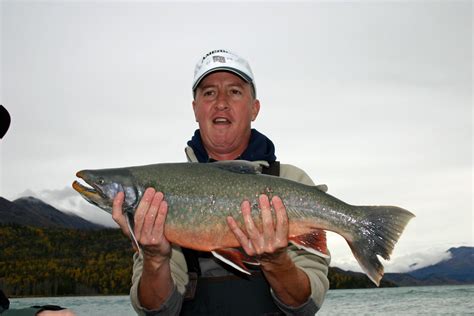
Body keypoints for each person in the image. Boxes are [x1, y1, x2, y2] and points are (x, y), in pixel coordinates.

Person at [112, 49, 330, 315]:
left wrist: (276, 262)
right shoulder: (160, 192)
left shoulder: (292, 181)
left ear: (255, 108)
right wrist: (155, 259)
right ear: (195, 109)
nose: (221, 102)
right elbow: (156, 310)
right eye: (209, 92)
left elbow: (306, 306)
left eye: (235, 91)